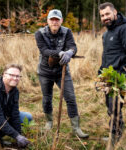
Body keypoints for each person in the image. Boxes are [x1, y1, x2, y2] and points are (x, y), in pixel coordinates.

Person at [35, 9, 89, 138]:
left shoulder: (67, 32)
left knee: (70, 98)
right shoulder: (39, 33)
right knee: (47, 98)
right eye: (52, 19)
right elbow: (44, 50)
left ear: (61, 21)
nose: (54, 22)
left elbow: (72, 46)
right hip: (45, 72)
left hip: (62, 71)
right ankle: (49, 122)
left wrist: (70, 52)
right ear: (47, 21)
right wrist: (59, 53)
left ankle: (76, 128)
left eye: (57, 19)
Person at [97, 2, 126, 144]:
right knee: (112, 109)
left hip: (125, 76)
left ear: (115, 12)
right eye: (102, 15)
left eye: (107, 14)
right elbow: (107, 56)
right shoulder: (107, 34)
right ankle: (117, 136)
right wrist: (101, 74)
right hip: (111, 79)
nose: (105, 17)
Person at [0, 64, 33, 150]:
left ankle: (0, 135)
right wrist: (16, 136)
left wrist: (19, 135)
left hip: (3, 117)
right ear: (4, 74)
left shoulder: (14, 91)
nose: (15, 78)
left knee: (28, 117)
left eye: (17, 76)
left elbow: (14, 114)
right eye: (11, 75)